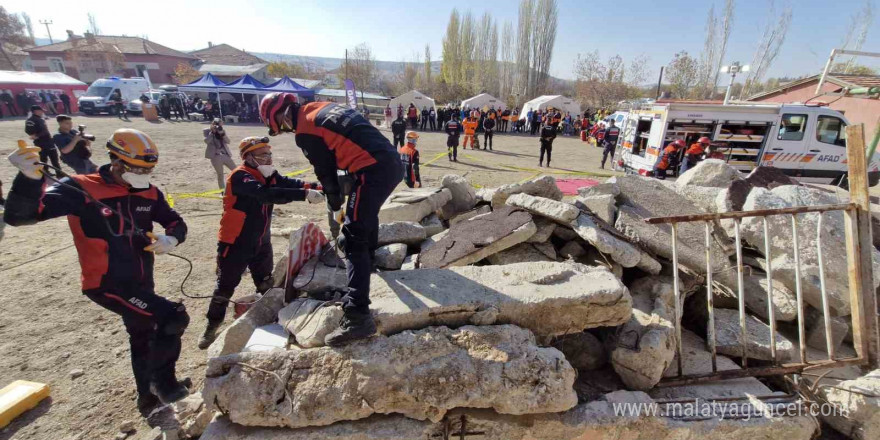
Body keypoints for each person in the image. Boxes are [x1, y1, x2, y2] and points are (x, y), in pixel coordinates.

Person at [5, 128, 191, 416]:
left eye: (149, 169)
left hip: (141, 282)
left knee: (143, 333)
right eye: (137, 169)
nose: (144, 175)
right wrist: (28, 179)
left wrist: (173, 237)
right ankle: (163, 384)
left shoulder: (149, 192)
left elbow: (174, 220)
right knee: (173, 315)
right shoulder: (81, 188)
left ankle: (148, 398)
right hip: (107, 283)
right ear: (116, 161)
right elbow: (21, 217)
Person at [258, 92, 403, 346]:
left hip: (372, 169)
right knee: (365, 217)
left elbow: (325, 172)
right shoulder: (322, 108)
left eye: (281, 127)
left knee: (351, 236)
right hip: (389, 161)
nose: (286, 131)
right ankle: (367, 266)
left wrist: (335, 203)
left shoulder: (305, 129)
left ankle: (358, 316)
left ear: (280, 116)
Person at [198, 136, 325, 348]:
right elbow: (266, 195)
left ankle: (267, 319)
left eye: (269, 153)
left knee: (266, 284)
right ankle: (211, 326)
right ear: (248, 157)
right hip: (236, 242)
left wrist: (316, 186)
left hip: (261, 242)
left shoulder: (268, 174)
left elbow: (288, 183)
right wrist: (304, 195)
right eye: (262, 154)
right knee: (224, 287)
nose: (267, 158)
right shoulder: (240, 177)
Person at [25, 105, 61, 175]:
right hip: (41, 142)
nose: (42, 112)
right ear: (36, 111)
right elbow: (28, 130)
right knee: (46, 158)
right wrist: (36, 136)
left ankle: (55, 172)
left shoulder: (39, 119)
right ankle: (50, 173)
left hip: (47, 141)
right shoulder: (31, 120)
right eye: (41, 111)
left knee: (51, 158)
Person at [204, 119, 236, 189]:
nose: (220, 126)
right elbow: (206, 141)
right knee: (220, 175)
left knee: (236, 170)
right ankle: (222, 192)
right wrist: (212, 133)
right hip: (215, 157)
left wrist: (222, 134)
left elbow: (228, 141)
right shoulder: (208, 131)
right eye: (219, 124)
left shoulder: (222, 131)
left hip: (225, 155)